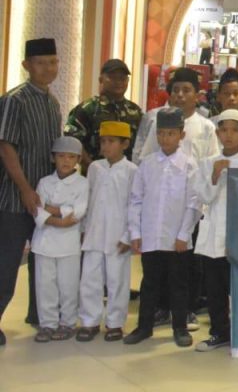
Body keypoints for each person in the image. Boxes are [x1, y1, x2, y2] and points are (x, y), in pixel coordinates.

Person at [0, 37, 63, 343]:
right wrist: (25, 189)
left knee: (43, 260)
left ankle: (40, 315)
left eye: (52, 62)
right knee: (7, 262)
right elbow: (5, 146)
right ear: (27, 65)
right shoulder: (15, 100)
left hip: (43, 199)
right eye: (40, 63)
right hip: (14, 199)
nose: (48, 68)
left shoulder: (53, 103)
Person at [125, 108, 201, 347]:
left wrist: (183, 234)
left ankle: (180, 328)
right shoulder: (147, 164)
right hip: (151, 237)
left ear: (181, 135)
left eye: (171, 133)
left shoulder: (189, 165)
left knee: (179, 284)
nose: (165, 138)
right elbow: (136, 199)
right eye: (161, 133)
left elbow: (194, 203)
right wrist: (136, 232)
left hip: (177, 239)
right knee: (149, 283)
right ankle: (144, 327)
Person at [194, 110, 238, 352]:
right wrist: (215, 175)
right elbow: (204, 197)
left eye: (234, 130)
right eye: (224, 130)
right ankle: (219, 332)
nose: (229, 135)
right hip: (212, 236)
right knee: (214, 288)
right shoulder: (207, 163)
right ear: (217, 133)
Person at [78, 121, 138, 343]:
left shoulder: (132, 170)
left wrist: (129, 236)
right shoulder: (95, 168)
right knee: (90, 279)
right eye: (103, 141)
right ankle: (89, 321)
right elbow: (88, 199)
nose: (105, 146)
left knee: (117, 281)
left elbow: (135, 204)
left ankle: (115, 323)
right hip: (94, 233)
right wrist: (83, 228)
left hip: (118, 235)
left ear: (125, 144)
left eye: (111, 141)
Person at [31, 136, 88, 343]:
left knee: (68, 285)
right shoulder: (44, 182)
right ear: (53, 158)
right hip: (44, 242)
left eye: (71, 157)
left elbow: (78, 212)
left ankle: (68, 323)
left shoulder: (82, 183)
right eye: (61, 156)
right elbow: (37, 209)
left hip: (69, 244)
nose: (66, 161)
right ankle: (47, 323)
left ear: (78, 159)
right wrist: (59, 220)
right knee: (45, 285)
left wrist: (52, 209)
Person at [64, 58, 143, 173]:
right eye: (112, 78)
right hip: (94, 176)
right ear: (101, 79)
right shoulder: (89, 108)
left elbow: (143, 144)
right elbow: (72, 140)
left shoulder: (135, 111)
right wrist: (92, 167)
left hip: (127, 176)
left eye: (122, 78)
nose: (118, 82)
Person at [135, 68, 217, 165]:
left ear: (197, 96)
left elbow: (213, 163)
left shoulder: (207, 127)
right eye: (176, 90)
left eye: (186, 91)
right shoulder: (160, 123)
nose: (180, 95)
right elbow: (146, 161)